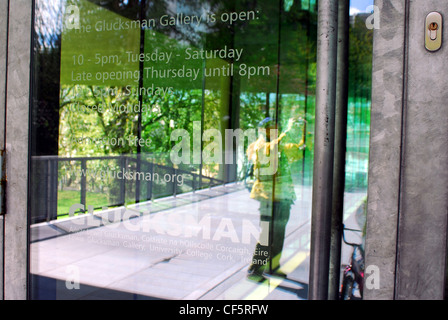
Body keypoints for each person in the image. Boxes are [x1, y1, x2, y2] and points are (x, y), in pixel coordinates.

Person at [246, 116, 305, 282]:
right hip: (267, 197)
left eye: (277, 128)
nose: (276, 131)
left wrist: (302, 135)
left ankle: (273, 266)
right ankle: (255, 269)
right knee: (267, 234)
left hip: (283, 196)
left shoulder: (276, 144)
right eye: (273, 128)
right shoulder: (259, 145)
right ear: (264, 130)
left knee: (278, 234)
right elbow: (269, 150)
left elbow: (296, 152)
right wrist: (288, 131)